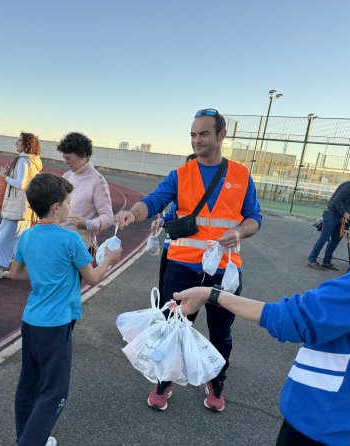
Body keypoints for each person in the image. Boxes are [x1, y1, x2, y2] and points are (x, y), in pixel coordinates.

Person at [172, 152, 350, 446]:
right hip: (343, 419)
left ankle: (215, 380)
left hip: (331, 425)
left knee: (220, 333)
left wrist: (212, 295)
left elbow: (298, 318)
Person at [115, 108, 262, 412]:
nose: (197, 140)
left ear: (221, 135)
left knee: (221, 332)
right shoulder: (181, 174)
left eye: (204, 133)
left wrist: (240, 231)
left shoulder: (241, 175)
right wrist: (135, 211)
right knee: (173, 328)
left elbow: (254, 218)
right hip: (182, 268)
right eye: (193, 134)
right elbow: (156, 199)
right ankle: (165, 379)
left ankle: (217, 379)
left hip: (223, 269)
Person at [9, 172, 122, 446]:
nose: (71, 208)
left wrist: (41, 274)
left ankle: (26, 436)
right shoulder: (71, 240)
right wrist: (109, 259)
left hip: (31, 320)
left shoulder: (27, 235)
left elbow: (15, 273)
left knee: (29, 385)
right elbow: (93, 278)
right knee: (54, 392)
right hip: (57, 324)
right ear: (56, 207)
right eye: (69, 203)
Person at [0, 132, 42, 278]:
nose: (16, 143)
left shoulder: (23, 160)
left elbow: (20, 184)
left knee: (4, 238)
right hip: (27, 207)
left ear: (26, 144)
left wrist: (5, 177)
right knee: (21, 241)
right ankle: (32, 269)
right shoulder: (34, 161)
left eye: (19, 141)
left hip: (17, 206)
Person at [56, 132, 113, 254]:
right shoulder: (66, 176)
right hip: (60, 242)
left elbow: (108, 217)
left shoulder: (98, 181)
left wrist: (87, 224)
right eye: (64, 158)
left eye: (68, 158)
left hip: (82, 247)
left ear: (83, 155)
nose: (65, 162)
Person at [151, 153, 197, 293]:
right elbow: (171, 215)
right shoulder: (180, 187)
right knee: (165, 285)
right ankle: (161, 312)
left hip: (191, 252)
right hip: (170, 245)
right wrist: (162, 220)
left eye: (194, 165)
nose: (190, 169)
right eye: (187, 165)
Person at [307, 179, 350, 270]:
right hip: (331, 215)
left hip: (339, 217)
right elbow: (337, 200)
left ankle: (326, 261)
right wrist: (344, 213)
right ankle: (311, 260)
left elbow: (348, 206)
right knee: (324, 237)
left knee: (336, 238)